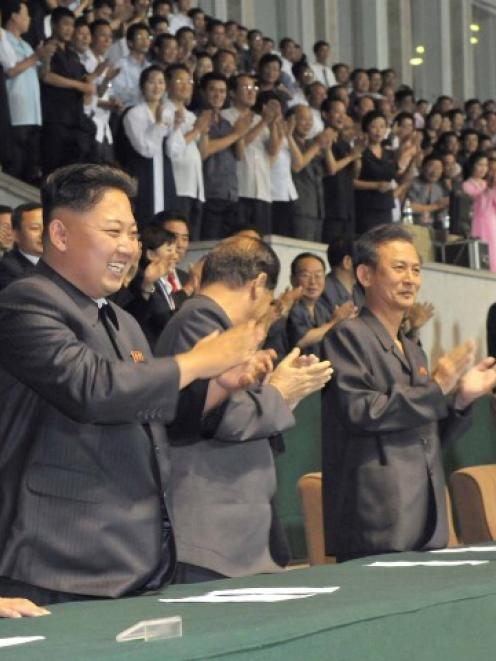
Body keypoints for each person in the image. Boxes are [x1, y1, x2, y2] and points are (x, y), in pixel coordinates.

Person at [0, 163, 264, 605]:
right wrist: (196, 361)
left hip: (132, 564)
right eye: (114, 232)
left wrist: (217, 386)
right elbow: (92, 389)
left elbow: (147, 416)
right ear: (61, 235)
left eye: (133, 235)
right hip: (57, 568)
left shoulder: (122, 320)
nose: (128, 248)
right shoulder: (25, 301)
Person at [155, 236, 332, 582]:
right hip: (212, 533)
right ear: (258, 284)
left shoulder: (209, 321)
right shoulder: (201, 320)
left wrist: (283, 392)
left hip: (234, 533)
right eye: (268, 298)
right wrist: (279, 392)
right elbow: (227, 418)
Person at [321, 224, 496, 562]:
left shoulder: (413, 348)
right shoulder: (347, 336)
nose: (411, 279)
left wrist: (460, 399)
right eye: (399, 268)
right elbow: (363, 411)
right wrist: (438, 385)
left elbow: (426, 434)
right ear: (365, 274)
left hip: (425, 520)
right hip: (377, 522)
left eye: (416, 269)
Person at [120, 65, 176, 227]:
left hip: (164, 175)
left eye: (161, 82)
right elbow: (146, 150)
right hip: (143, 174)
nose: (157, 87)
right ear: (142, 85)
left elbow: (172, 150)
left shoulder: (167, 113)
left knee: (165, 224)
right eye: (152, 82)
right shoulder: (134, 114)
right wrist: (158, 124)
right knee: (143, 223)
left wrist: (177, 127)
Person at [287, 252, 356, 356]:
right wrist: (335, 321)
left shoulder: (321, 308)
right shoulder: (290, 307)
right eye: (306, 275)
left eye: (318, 275)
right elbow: (302, 340)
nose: (313, 282)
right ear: (293, 279)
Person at [463, 151, 496, 272]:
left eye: (486, 165)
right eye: (480, 164)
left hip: (493, 222)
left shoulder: (488, 184)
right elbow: (476, 201)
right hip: (479, 221)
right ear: (472, 165)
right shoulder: (466, 185)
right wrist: (489, 189)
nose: (483, 169)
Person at [0, 202, 43, 291]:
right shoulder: (8, 270)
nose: (43, 234)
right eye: (35, 228)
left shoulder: (60, 265)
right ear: (15, 235)